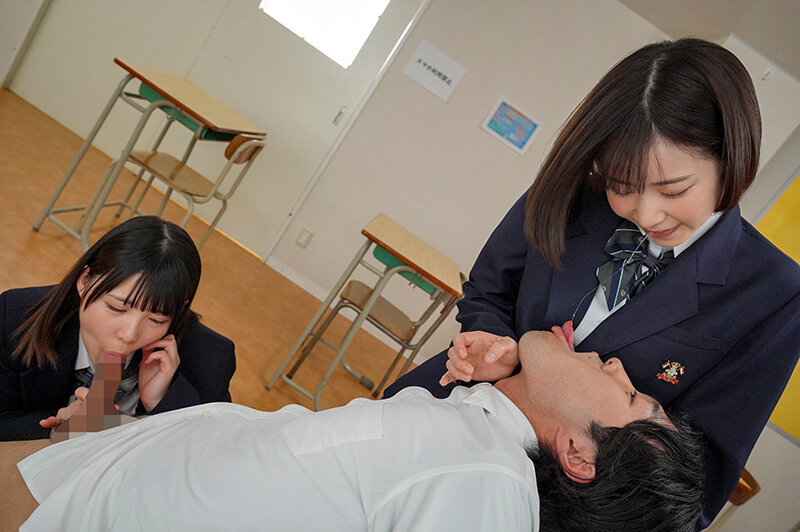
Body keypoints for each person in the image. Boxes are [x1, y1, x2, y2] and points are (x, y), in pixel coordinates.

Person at [383, 37, 800, 527]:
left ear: (731, 161)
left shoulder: (774, 292)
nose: (647, 214)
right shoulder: (574, 193)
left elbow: (697, 483)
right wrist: (496, 344)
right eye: (622, 186)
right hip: (439, 417)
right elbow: (489, 290)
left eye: (673, 190)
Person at [12, 328, 704, 531]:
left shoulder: (488, 487)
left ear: (579, 454)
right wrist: (504, 369)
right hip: (126, 468)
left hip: (115, 506)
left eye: (631, 396)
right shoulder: (482, 438)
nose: (618, 364)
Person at [0, 216, 236, 441]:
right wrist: (62, 429)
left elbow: (212, 450)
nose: (129, 335)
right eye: (116, 308)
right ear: (84, 281)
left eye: (156, 320)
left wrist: (160, 404)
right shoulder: (14, 315)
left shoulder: (212, 358)